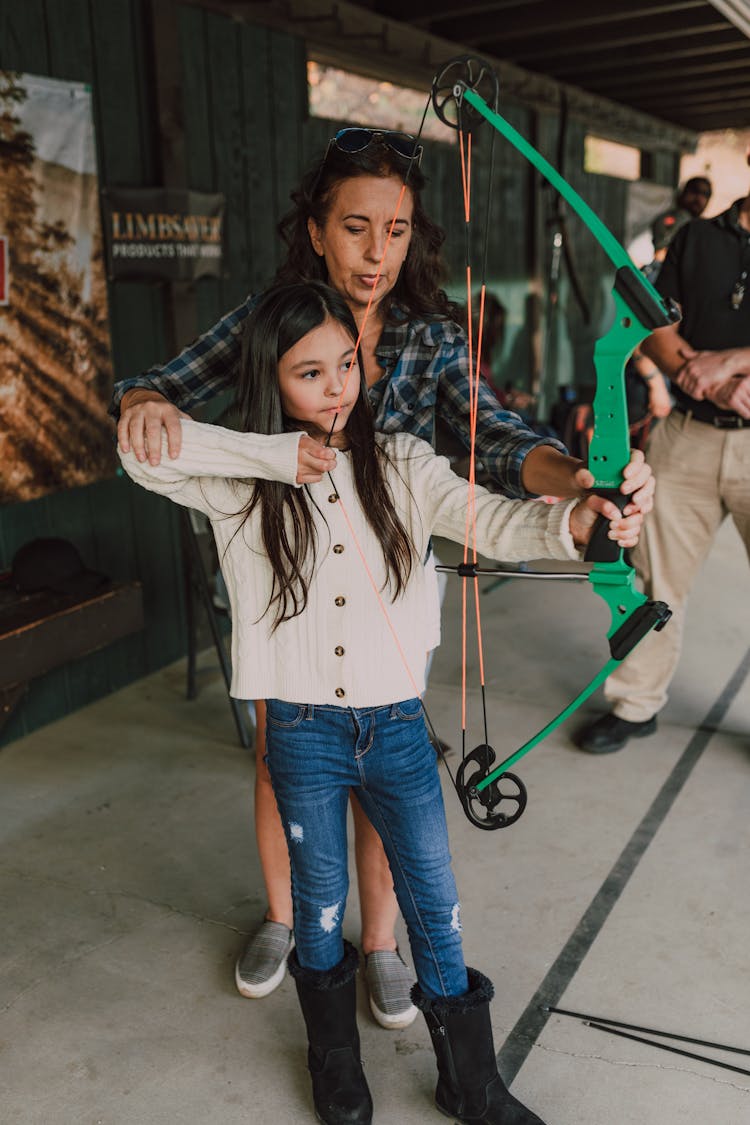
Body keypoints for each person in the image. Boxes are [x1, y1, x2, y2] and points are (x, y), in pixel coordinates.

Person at [113, 126, 655, 1024]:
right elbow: (155, 392)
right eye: (358, 227)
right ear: (317, 229)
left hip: (388, 594)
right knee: (278, 757)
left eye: (398, 231)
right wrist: (147, 403)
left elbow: (499, 439)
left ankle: (378, 943)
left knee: (382, 757)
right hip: (279, 571)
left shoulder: (429, 336)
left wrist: (585, 480)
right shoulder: (272, 316)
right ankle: (289, 919)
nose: (379, 252)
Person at [575, 161, 750, 755]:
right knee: (649, 573)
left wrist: (729, 362)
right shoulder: (699, 236)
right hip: (690, 430)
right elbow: (654, 323)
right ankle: (635, 702)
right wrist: (703, 377)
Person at [647, 175, 712, 278]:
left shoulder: (703, 225)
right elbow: (661, 253)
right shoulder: (675, 218)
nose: (699, 198)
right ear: (685, 192)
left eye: (705, 194)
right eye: (695, 191)